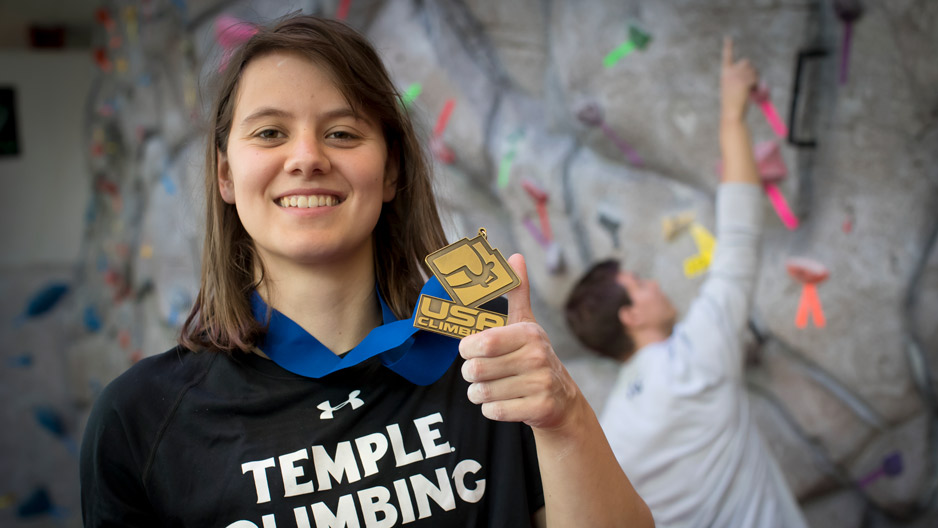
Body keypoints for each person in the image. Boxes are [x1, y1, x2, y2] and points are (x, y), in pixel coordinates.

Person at [80, 15, 652, 528]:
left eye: (342, 133)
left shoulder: (488, 356)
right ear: (226, 175)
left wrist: (564, 419)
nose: (306, 157)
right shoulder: (139, 420)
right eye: (270, 132)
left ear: (391, 171)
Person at [564, 38, 808, 528]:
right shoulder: (694, 362)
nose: (654, 285)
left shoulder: (613, 433)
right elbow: (739, 233)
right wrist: (732, 116)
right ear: (631, 317)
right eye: (639, 284)